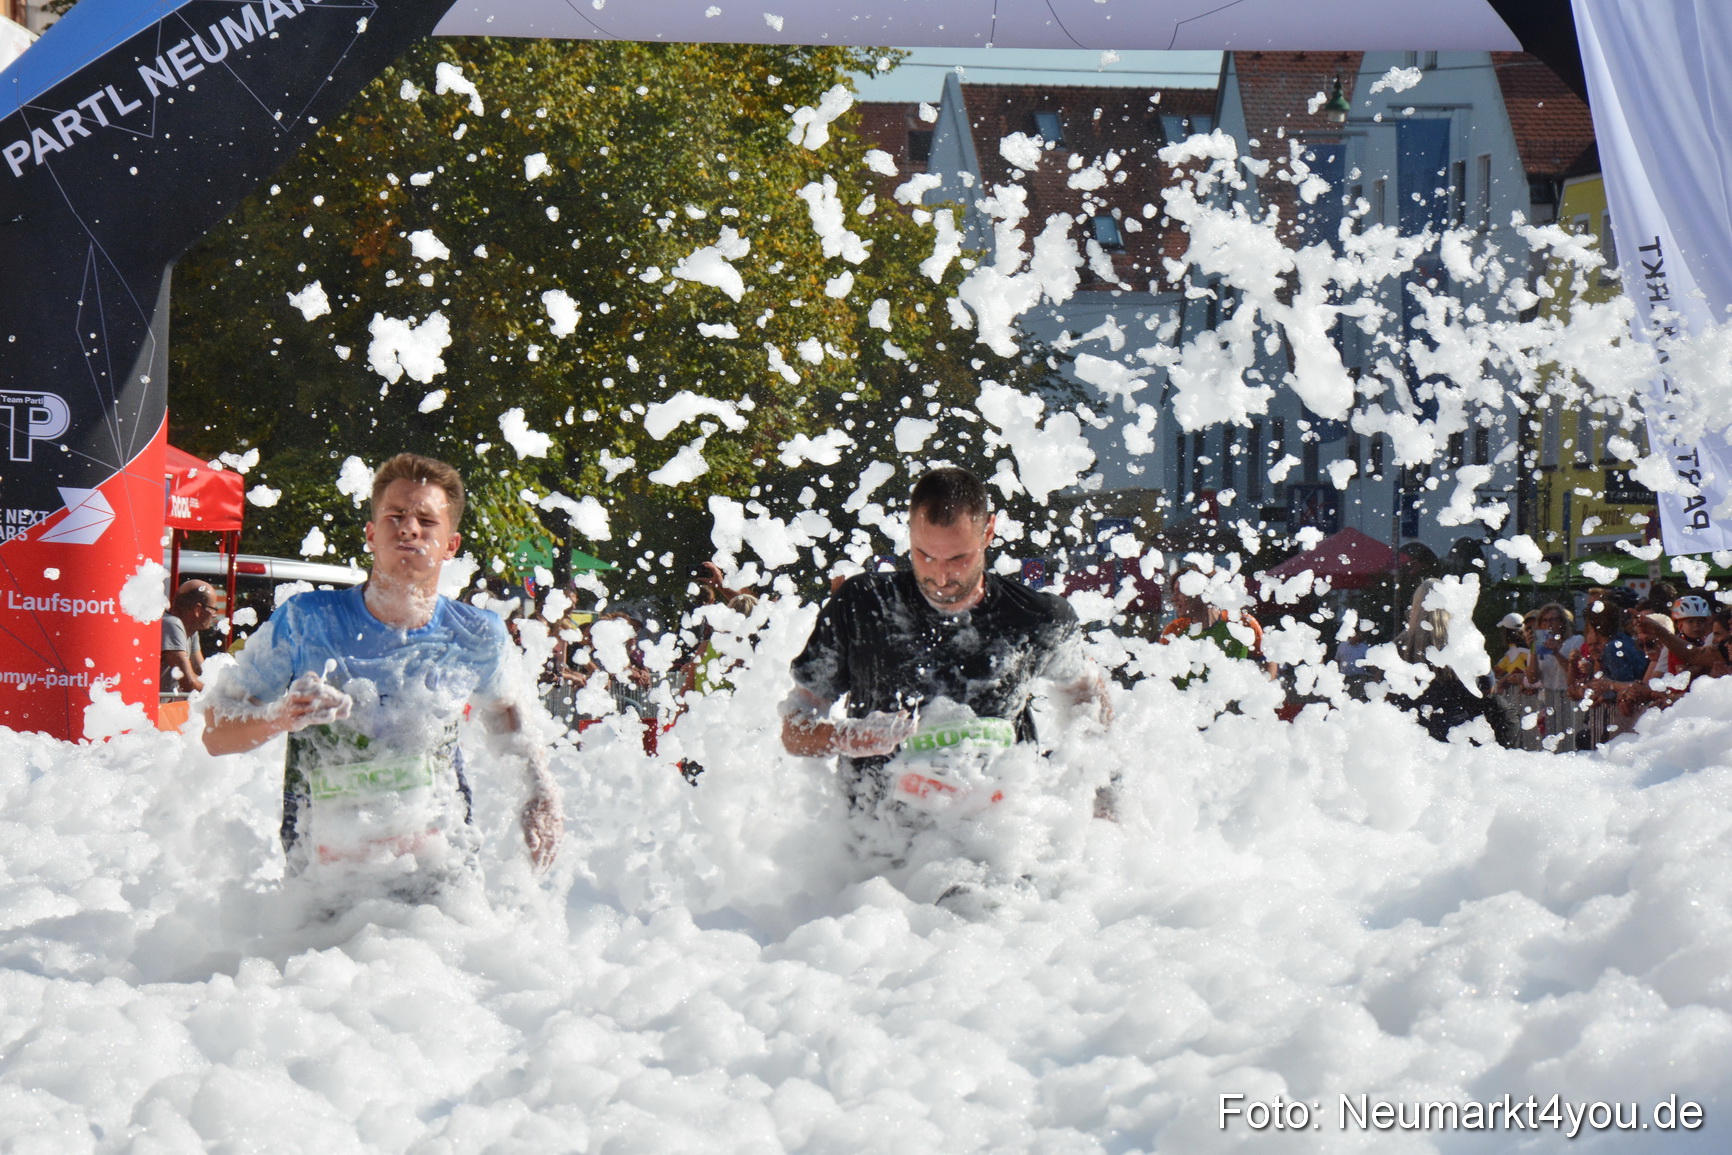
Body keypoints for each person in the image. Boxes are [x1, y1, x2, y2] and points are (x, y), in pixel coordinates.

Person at [202, 453, 562, 894]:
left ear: (451, 544)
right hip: (325, 878)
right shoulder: (306, 622)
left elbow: (507, 713)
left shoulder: (477, 634)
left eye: (427, 521)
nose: (409, 528)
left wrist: (539, 794)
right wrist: (283, 716)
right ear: (372, 535)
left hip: (438, 867)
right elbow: (215, 733)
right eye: (395, 516)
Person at [781, 466, 1110, 816]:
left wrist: (1098, 789)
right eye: (924, 555)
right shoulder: (863, 605)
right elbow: (795, 730)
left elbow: (1085, 691)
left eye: (958, 558)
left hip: (993, 840)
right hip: (875, 844)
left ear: (988, 533)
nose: (940, 576)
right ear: (908, 533)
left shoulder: (1036, 618)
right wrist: (850, 737)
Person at [160, 580, 221, 694]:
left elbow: (204, 673)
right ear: (197, 609)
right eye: (213, 609)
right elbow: (189, 683)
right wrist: (223, 693)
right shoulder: (172, 624)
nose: (214, 615)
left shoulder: (191, 630)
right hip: (156, 709)